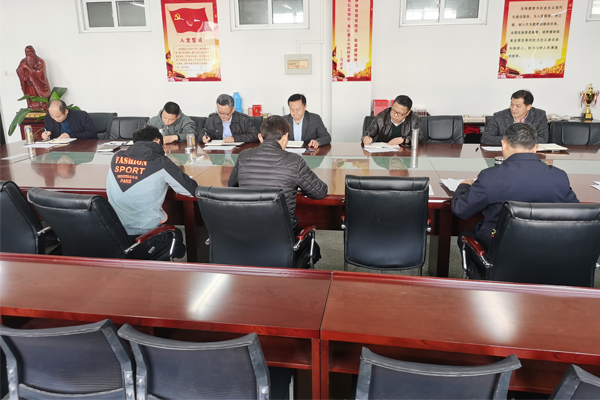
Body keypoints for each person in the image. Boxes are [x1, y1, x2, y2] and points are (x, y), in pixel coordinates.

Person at [452, 123, 578, 251]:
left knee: (465, 235)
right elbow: (577, 214)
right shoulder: (559, 176)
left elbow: (461, 209)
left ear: (504, 144)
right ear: (536, 147)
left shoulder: (489, 176)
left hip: (499, 250)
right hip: (547, 249)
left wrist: (464, 186)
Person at [228, 116, 328, 265]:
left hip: (248, 233)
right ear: (286, 137)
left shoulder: (243, 156)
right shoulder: (294, 161)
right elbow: (320, 191)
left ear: (260, 137)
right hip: (283, 239)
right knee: (313, 248)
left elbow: (232, 185)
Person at [106, 125, 198, 260]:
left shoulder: (116, 158)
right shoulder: (161, 162)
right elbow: (191, 190)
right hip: (147, 236)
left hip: (115, 233)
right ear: (157, 141)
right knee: (176, 235)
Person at [481, 90, 548, 145]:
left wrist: (517, 140)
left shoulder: (540, 115)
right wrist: (512, 140)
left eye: (518, 106)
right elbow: (485, 138)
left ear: (528, 107)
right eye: (512, 104)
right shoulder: (498, 116)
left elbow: (543, 139)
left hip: (529, 153)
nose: (513, 108)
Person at [16, 45, 52, 111]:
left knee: (41, 99)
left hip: (38, 85)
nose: (27, 53)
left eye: (29, 51)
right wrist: (22, 70)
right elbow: (19, 70)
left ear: (33, 52)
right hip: (28, 84)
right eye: (26, 52)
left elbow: (41, 73)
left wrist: (27, 68)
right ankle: (32, 107)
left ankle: (43, 106)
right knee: (31, 96)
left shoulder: (40, 61)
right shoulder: (23, 61)